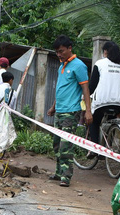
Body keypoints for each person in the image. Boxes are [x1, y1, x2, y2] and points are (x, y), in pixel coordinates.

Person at [46, 35, 92, 187]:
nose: (59, 54)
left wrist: (88, 111)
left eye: (61, 51)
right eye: (57, 52)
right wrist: (53, 107)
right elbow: (61, 89)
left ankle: (66, 177)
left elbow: (85, 89)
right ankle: (59, 173)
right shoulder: (62, 66)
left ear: (70, 48)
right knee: (57, 144)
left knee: (66, 146)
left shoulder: (79, 66)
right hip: (59, 110)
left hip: (71, 112)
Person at [88, 41, 120, 145]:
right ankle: (107, 146)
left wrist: (85, 96)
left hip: (103, 101)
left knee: (94, 122)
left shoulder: (100, 63)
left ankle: (95, 149)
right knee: (111, 122)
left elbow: (92, 86)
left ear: (105, 51)